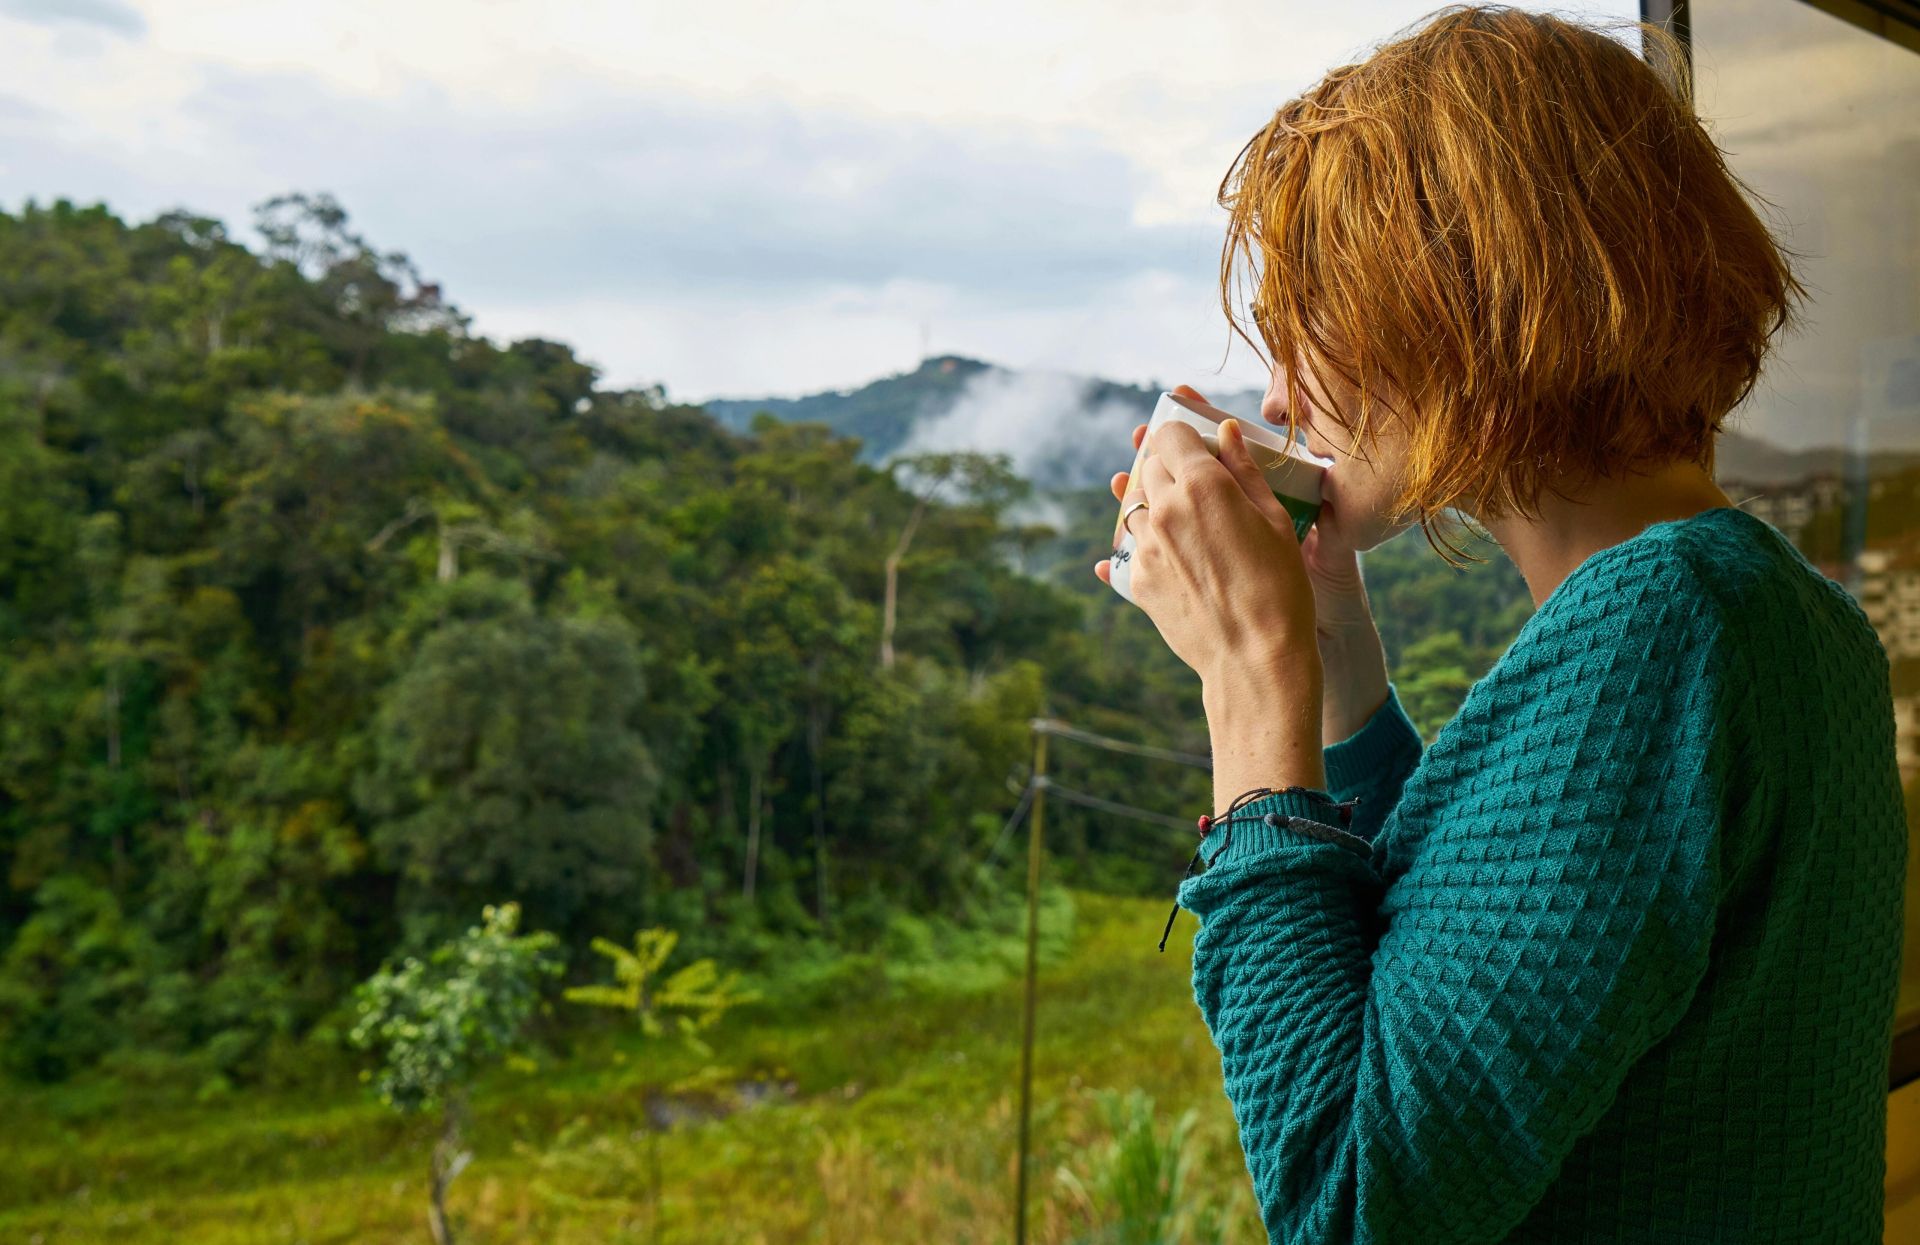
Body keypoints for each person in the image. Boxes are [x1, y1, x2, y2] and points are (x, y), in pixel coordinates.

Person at [1092, 6, 1907, 1243]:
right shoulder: (1776, 614)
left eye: (1309, 318)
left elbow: (1353, 1199)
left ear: (1448, 300)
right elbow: (1492, 945)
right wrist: (1334, 658)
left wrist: (1253, 686)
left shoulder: (1665, 627)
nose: (1278, 396)